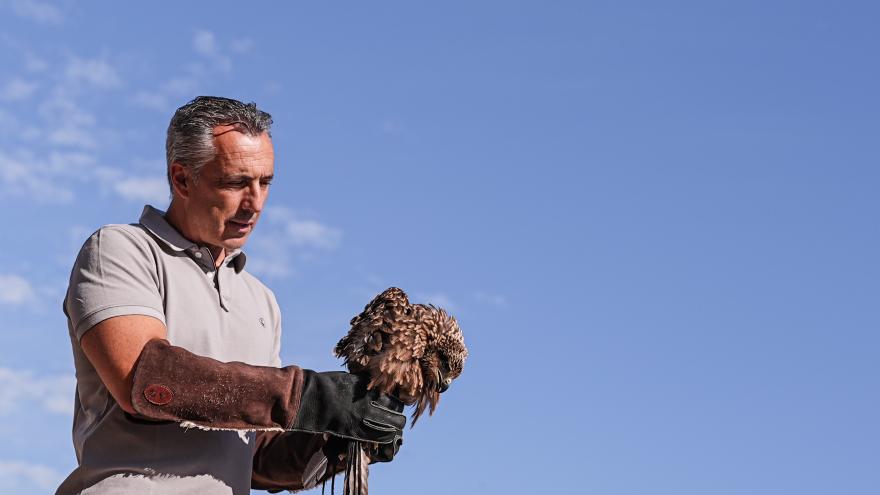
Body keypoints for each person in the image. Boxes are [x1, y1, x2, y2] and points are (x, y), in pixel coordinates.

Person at [56, 96, 405, 495]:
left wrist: (339, 438)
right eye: (236, 182)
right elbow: (146, 380)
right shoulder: (120, 249)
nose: (254, 202)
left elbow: (255, 456)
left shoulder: (261, 300)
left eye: (265, 182)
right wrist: (305, 396)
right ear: (182, 179)